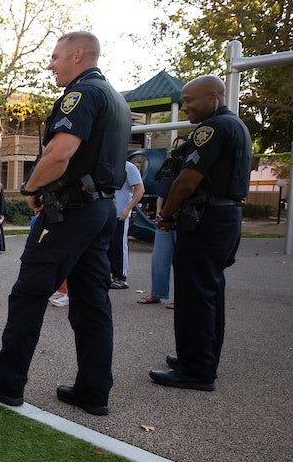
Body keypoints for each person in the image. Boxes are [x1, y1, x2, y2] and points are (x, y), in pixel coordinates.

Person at [0, 31, 131, 417]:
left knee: (29, 293)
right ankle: (94, 391)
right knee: (93, 303)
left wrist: (31, 186)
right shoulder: (117, 100)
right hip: (100, 210)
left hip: (71, 211)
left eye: (55, 56)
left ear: (78, 56)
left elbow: (60, 153)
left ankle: (8, 382)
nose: (51, 64)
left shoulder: (82, 95)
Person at [150, 74, 252, 392]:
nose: (185, 107)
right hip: (224, 217)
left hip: (207, 219)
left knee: (195, 294)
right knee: (209, 292)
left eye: (190, 101)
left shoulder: (213, 128)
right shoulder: (237, 126)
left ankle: (196, 369)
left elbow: (186, 180)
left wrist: (166, 215)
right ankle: (201, 359)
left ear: (213, 97)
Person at [141, 136, 187, 306]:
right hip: (164, 220)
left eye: (180, 147)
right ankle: (156, 293)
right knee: (159, 259)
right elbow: (162, 193)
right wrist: (160, 215)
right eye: (174, 146)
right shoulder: (168, 166)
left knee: (182, 261)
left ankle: (181, 297)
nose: (176, 150)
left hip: (181, 220)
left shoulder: (188, 167)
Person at [107, 157, 145, 289]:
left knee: (119, 244)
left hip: (121, 213)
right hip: (107, 213)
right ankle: (110, 274)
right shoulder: (106, 165)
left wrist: (128, 208)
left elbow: (140, 190)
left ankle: (121, 277)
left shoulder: (129, 167)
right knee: (106, 245)